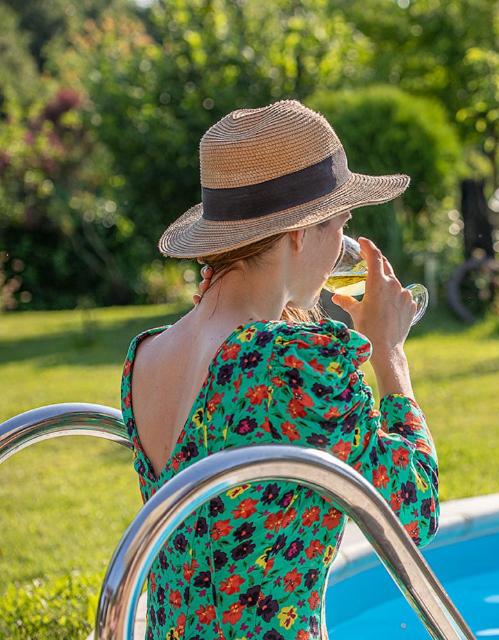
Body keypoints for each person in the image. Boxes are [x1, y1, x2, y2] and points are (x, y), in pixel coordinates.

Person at [120, 100, 439, 640]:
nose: (343, 246)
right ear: (299, 233)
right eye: (340, 226)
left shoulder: (146, 355)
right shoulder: (290, 363)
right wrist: (388, 351)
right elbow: (415, 509)